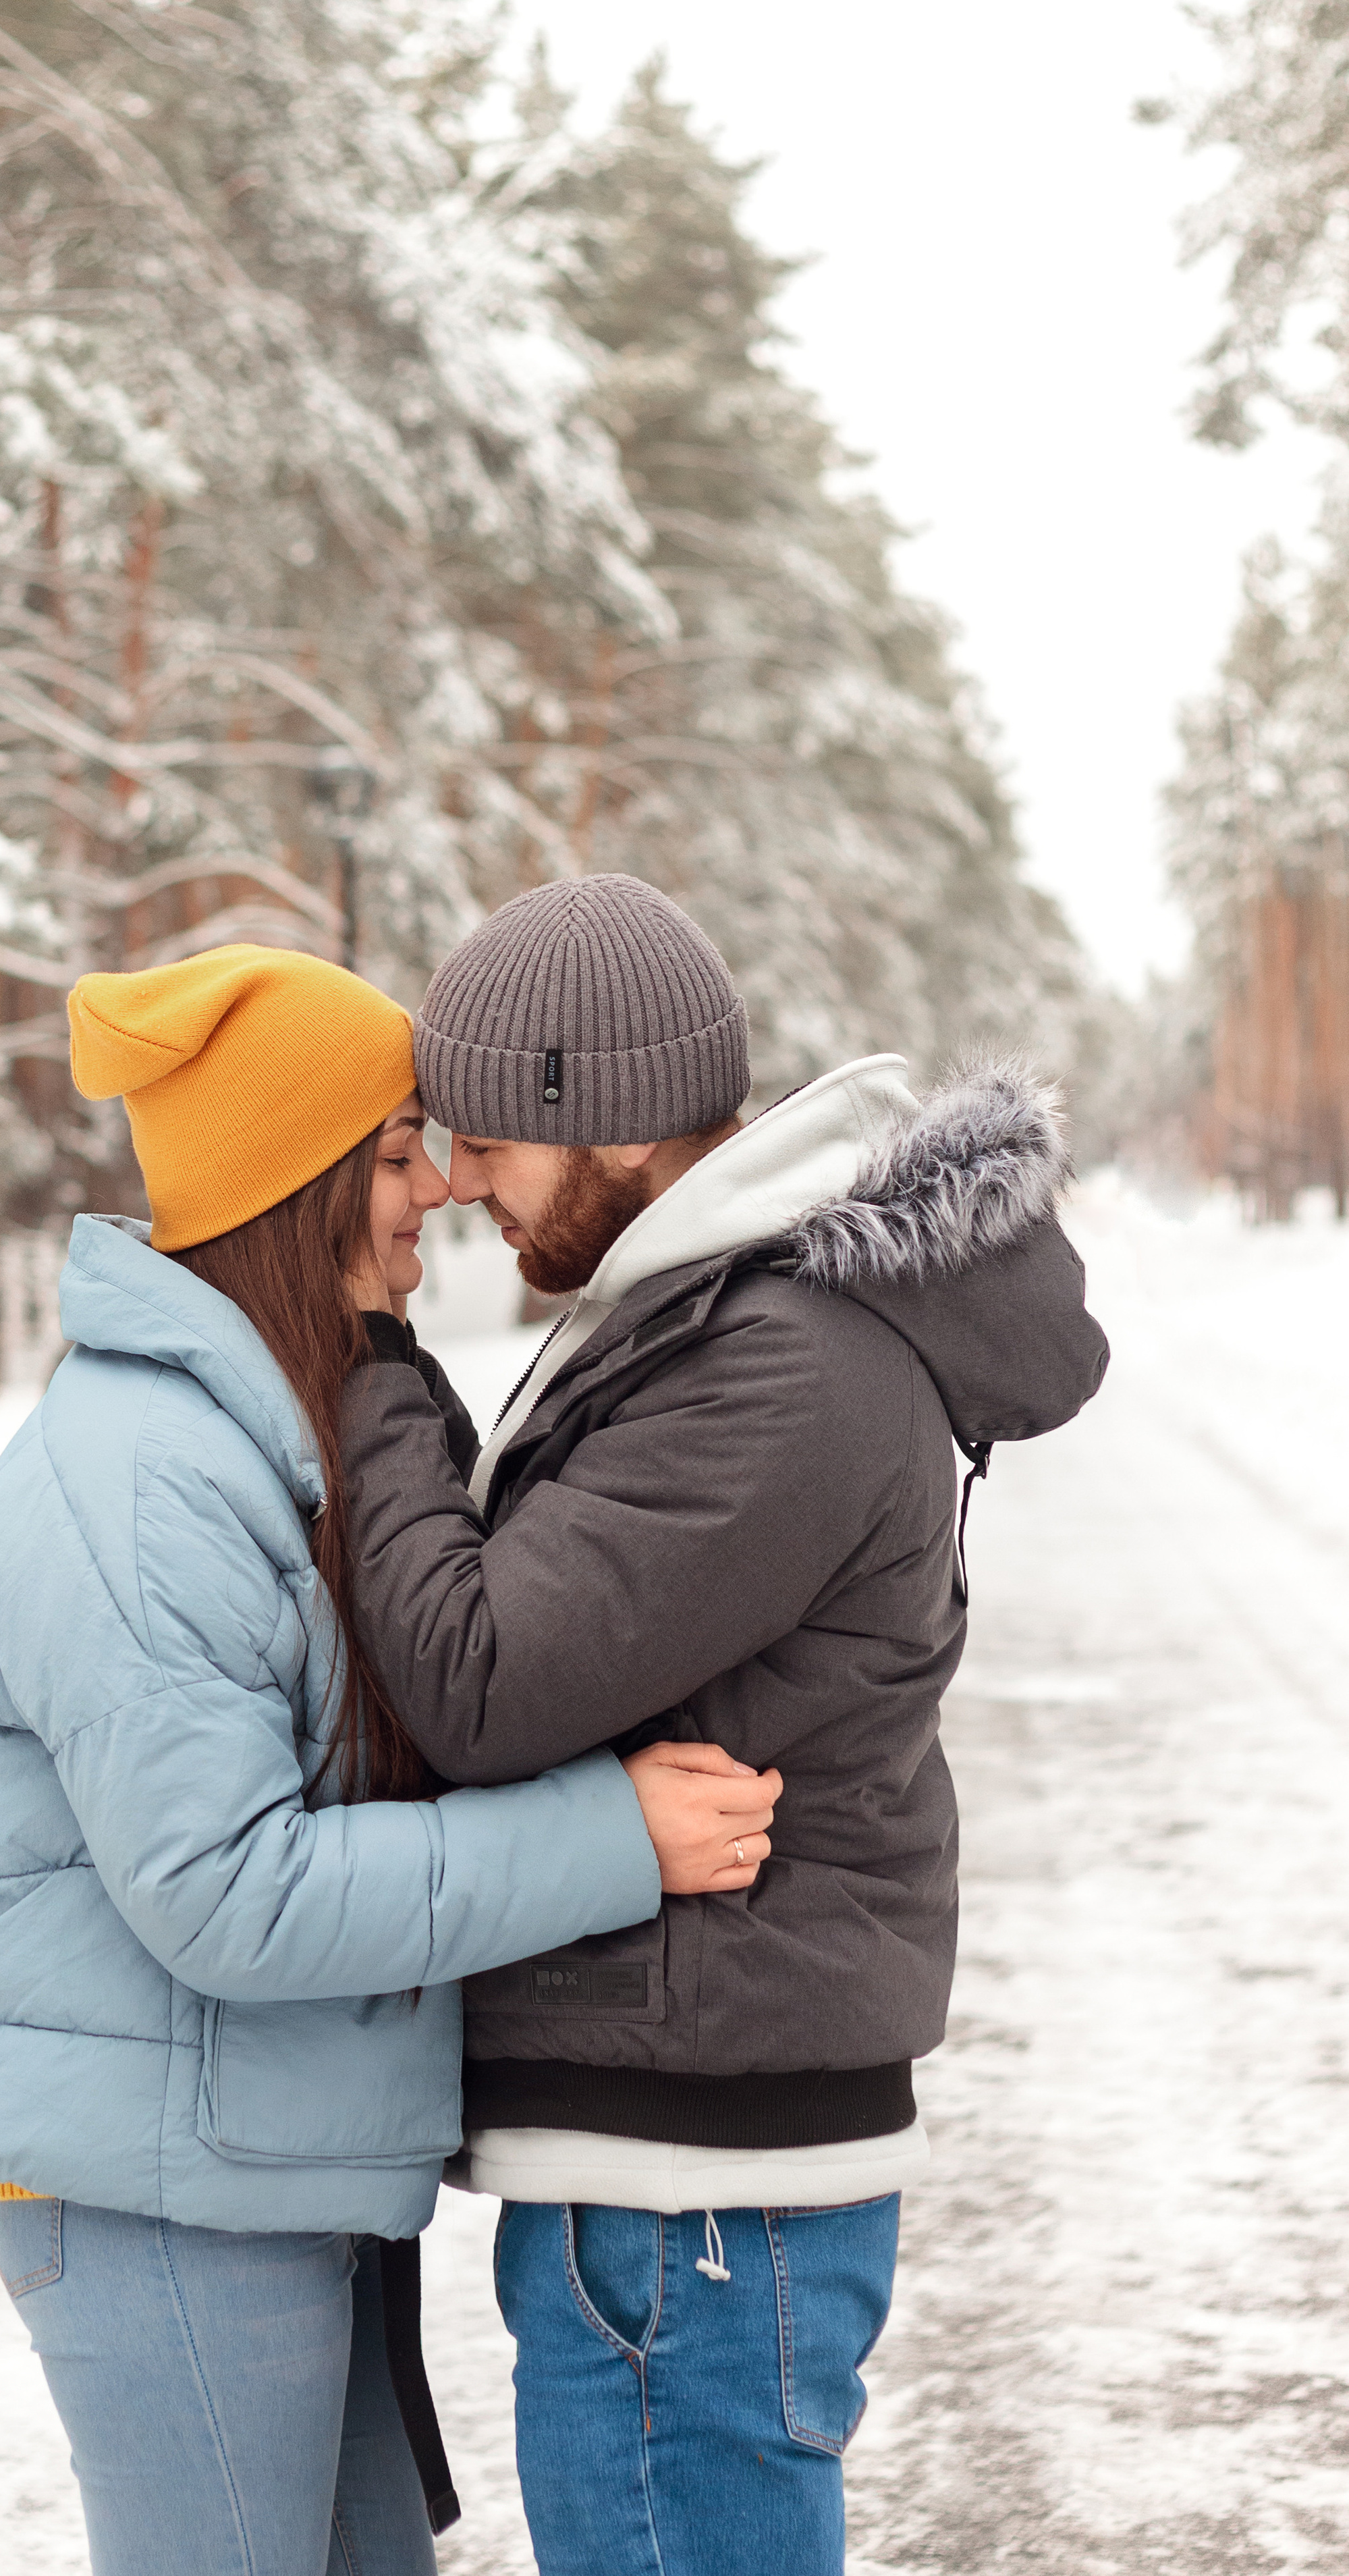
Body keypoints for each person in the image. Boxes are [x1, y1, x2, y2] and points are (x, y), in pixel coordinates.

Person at [0, 941, 779, 2576]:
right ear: (292, 1187)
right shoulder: (143, 1478)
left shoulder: (262, 1435)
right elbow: (226, 1894)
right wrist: (606, 1839)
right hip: (166, 2205)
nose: (437, 1191)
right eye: (389, 1158)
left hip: (265, 2174)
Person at [339, 874, 1112, 2576]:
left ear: (595, 1118)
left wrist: (372, 1366)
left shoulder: (778, 1366)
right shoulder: (716, 1321)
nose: (455, 1177)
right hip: (681, 2167)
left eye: (480, 1134)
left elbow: (478, 1677)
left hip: (692, 2192)